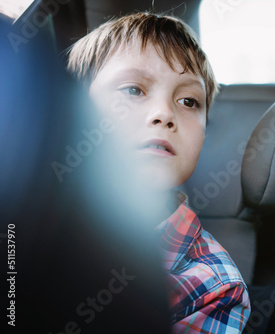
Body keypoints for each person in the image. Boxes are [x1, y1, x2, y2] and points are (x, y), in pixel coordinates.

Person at [67, 12, 250, 333]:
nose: (165, 113)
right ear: (69, 107)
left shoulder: (214, 286)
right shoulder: (21, 223)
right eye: (133, 90)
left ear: (204, 134)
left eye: (189, 101)